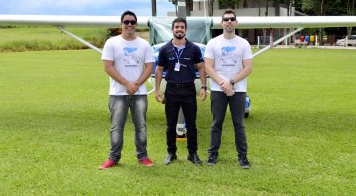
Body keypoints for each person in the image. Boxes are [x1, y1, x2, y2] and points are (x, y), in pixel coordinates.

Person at [99, 10, 154, 169]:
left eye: (132, 22)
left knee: (141, 126)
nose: (130, 25)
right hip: (118, 93)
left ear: (136, 24)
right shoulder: (112, 43)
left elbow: (149, 67)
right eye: (126, 22)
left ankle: (142, 156)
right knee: (116, 127)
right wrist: (126, 83)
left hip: (139, 93)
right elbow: (107, 67)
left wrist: (135, 84)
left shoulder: (144, 44)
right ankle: (113, 158)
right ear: (121, 24)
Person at [204, 9, 253, 169]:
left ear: (236, 22)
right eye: (226, 19)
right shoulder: (213, 43)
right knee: (216, 123)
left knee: (239, 124)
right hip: (218, 90)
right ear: (222, 23)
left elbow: (248, 68)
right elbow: (208, 67)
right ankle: (212, 154)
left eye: (232, 19)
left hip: (238, 90)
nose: (229, 22)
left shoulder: (243, 43)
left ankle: (243, 157)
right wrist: (223, 84)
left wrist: (231, 82)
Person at [155, 17, 207, 166]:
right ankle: (171, 153)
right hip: (171, 90)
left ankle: (193, 153)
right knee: (170, 125)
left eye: (182, 27)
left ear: (186, 30)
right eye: (176, 27)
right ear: (172, 30)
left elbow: (202, 67)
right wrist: (158, 90)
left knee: (191, 124)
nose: (179, 29)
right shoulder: (165, 49)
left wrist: (203, 87)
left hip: (189, 90)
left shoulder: (194, 48)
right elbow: (159, 70)